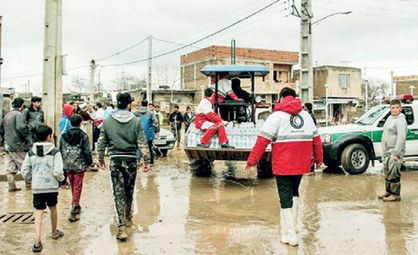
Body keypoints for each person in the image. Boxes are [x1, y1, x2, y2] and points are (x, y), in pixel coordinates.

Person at [244, 87, 323, 246]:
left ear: (280, 98)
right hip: (301, 164)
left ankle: (290, 235)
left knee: (284, 198)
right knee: (294, 192)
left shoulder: (276, 116)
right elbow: (317, 141)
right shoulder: (306, 116)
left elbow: (262, 142)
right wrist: (318, 160)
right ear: (295, 98)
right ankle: (294, 227)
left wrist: (251, 161)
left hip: (283, 164)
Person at [97, 92, 150, 241]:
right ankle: (128, 219)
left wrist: (100, 158)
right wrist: (147, 161)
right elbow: (142, 143)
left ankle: (121, 226)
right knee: (129, 191)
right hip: (131, 160)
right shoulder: (136, 121)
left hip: (115, 161)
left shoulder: (107, 122)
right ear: (129, 105)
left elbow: (101, 143)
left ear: (117, 104)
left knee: (118, 193)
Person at [21, 124, 65, 252]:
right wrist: (61, 180)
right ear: (49, 136)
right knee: (53, 208)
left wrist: (32, 180)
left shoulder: (31, 152)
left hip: (37, 187)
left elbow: (24, 170)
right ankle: (54, 232)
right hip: (51, 187)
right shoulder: (55, 152)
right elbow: (58, 171)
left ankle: (37, 241)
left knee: (38, 212)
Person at [59, 114, 92, 222]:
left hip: (67, 165)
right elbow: (87, 151)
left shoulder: (63, 136)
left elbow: (61, 150)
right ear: (80, 123)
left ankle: (76, 203)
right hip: (79, 165)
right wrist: (89, 163)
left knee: (73, 184)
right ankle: (74, 207)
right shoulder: (83, 135)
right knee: (78, 185)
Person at [378, 99, 408, 202]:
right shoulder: (390, 118)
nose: (395, 110)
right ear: (390, 109)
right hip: (387, 151)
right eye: (392, 108)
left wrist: (396, 153)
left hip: (394, 151)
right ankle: (388, 192)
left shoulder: (401, 120)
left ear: (400, 108)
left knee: (394, 172)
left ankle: (395, 195)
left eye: (397, 108)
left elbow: (401, 138)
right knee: (387, 172)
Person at [2, 98, 30, 191]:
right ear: (22, 106)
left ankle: (11, 186)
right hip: (18, 145)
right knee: (25, 166)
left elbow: (1, 129)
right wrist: (25, 139)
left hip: (7, 145)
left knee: (10, 168)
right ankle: (29, 186)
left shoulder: (7, 115)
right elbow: (21, 128)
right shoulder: (19, 115)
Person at [135, 100, 160, 166]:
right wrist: (156, 130)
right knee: (149, 148)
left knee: (139, 148)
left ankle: (138, 161)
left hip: (139, 133)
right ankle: (151, 162)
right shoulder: (151, 113)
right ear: (147, 105)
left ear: (141, 104)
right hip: (149, 134)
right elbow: (156, 123)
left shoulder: (136, 113)